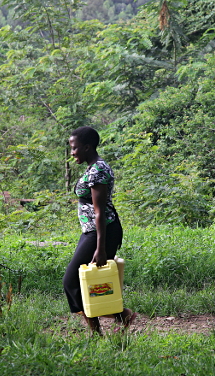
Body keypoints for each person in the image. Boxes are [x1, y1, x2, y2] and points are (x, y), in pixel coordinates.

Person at [63, 126, 136, 335]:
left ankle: (120, 315)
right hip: (91, 232)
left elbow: (99, 212)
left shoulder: (98, 170)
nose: (72, 153)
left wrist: (100, 248)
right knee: (85, 281)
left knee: (72, 280)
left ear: (87, 147)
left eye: (75, 148)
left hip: (100, 232)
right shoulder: (92, 167)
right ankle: (100, 330)